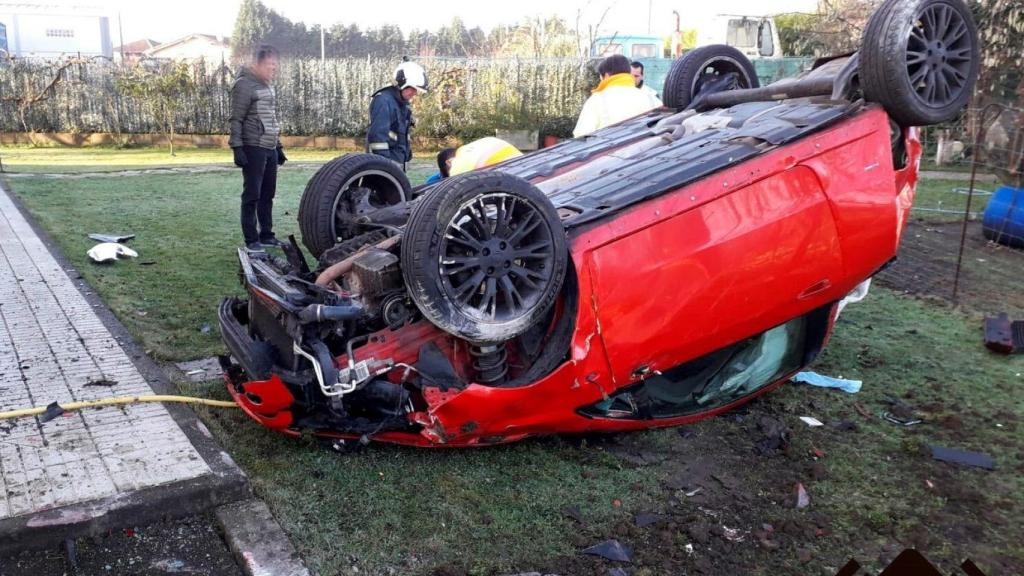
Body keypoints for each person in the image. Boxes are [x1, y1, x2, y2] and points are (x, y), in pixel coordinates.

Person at [229, 44, 286, 252]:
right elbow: (236, 119)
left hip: (269, 147)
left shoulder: (267, 85)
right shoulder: (243, 85)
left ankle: (267, 235)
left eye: (274, 64)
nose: (274, 68)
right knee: (252, 194)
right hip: (253, 146)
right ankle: (251, 240)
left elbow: (270, 118)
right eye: (270, 64)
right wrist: (237, 147)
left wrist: (278, 146)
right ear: (256, 64)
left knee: (268, 194)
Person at [573, 54, 662, 138]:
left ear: (606, 76)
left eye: (600, 77)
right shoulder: (651, 98)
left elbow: (581, 136)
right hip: (646, 153)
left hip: (608, 153)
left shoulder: (597, 100)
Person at [367, 61, 428, 171]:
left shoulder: (402, 105)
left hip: (396, 169)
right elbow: (378, 138)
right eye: (413, 88)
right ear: (402, 84)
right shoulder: (383, 101)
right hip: (385, 170)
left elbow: (401, 136)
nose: (414, 93)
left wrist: (407, 156)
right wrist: (385, 167)